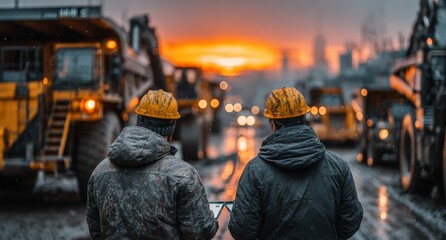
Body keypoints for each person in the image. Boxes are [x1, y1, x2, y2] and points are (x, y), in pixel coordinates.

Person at [228, 87, 363, 240]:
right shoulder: (338, 167)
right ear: (305, 118)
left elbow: (242, 230)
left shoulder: (255, 171)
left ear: (273, 124)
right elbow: (350, 220)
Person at [86, 89, 218, 239]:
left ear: (139, 120)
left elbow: (95, 230)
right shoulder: (183, 175)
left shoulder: (100, 171)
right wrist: (212, 222)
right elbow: (200, 233)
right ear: (172, 127)